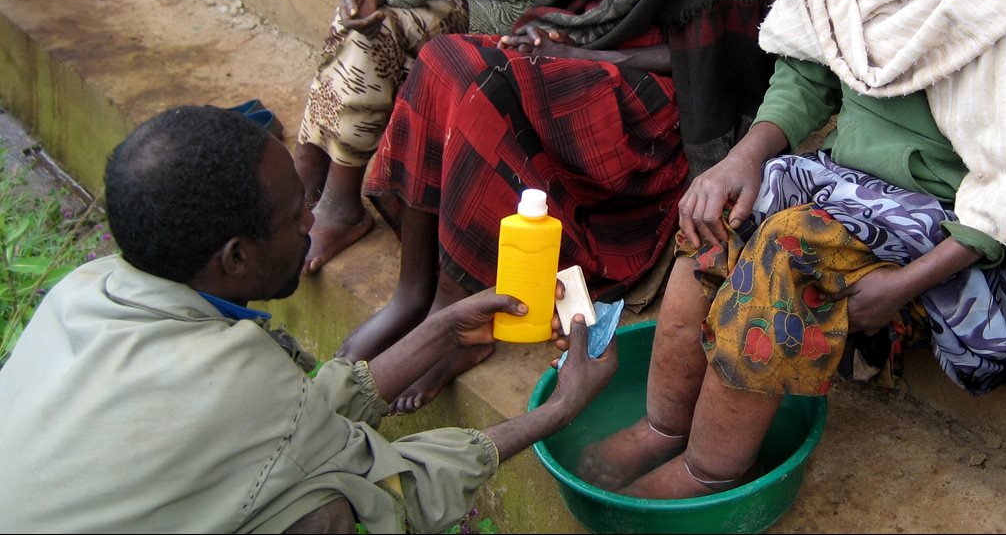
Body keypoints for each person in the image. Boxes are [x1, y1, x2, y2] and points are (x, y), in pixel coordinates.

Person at [578, 0, 1006, 499]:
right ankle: (663, 429)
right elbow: (807, 77)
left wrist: (901, 288)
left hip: (957, 224)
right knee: (712, 218)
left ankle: (710, 472)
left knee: (785, 252)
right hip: (848, 186)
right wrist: (742, 158)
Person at [0, 106, 617, 533]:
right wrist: (555, 412)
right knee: (324, 515)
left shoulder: (89, 288)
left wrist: (439, 331)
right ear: (236, 257)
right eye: (297, 214)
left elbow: (293, 423)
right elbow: (400, 488)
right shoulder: (235, 379)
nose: (311, 225)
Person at [347, 0, 774, 413]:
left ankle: (455, 316)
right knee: (442, 59)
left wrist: (592, 57)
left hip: (664, 100)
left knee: (488, 93)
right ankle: (412, 291)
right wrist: (560, 38)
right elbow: (587, 4)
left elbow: (723, 61)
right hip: (592, 55)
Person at [296, 0, 555, 273]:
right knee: (360, 18)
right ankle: (308, 179)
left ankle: (338, 204)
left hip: (513, 6)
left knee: (379, 30)